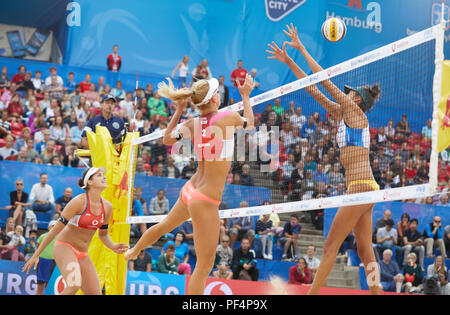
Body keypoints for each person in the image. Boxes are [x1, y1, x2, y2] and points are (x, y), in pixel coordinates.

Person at [268, 23, 382, 294]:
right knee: (366, 251)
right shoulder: (344, 114)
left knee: (331, 245)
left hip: (361, 187)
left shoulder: (357, 114)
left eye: (350, 91)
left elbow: (324, 80)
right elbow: (312, 88)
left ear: (356, 99)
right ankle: (377, 292)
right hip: (365, 188)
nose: (346, 92)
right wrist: (289, 61)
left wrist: (302, 48)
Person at [124, 73, 255, 294]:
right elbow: (250, 125)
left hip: (191, 189)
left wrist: (178, 110)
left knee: (164, 226)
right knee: (204, 266)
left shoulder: (193, 123)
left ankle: (134, 250)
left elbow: (166, 140)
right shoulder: (227, 117)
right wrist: (246, 95)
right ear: (214, 99)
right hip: (205, 199)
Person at [23, 167, 129, 295]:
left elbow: (103, 234)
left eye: (103, 175)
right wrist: (36, 254)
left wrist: (113, 246)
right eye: (99, 175)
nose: (104, 177)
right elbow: (54, 230)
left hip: (83, 253)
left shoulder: (107, 207)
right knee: (74, 285)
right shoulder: (78, 202)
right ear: (89, 182)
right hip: (64, 247)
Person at [35, 220, 57, 295]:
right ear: (49, 227)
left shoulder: (60, 237)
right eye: (53, 226)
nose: (54, 227)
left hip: (53, 262)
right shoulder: (43, 236)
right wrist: (36, 258)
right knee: (40, 286)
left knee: (49, 287)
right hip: (42, 262)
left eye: (56, 226)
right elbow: (37, 248)